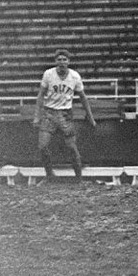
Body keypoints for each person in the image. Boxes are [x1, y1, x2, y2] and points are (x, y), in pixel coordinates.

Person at [33, 49, 97, 183]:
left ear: (69, 61)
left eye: (64, 59)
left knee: (72, 148)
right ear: (55, 61)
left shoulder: (74, 76)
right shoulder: (48, 74)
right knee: (42, 146)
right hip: (49, 113)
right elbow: (40, 95)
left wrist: (90, 117)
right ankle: (49, 175)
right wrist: (37, 116)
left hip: (65, 114)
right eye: (59, 59)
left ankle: (79, 179)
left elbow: (83, 98)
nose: (62, 62)